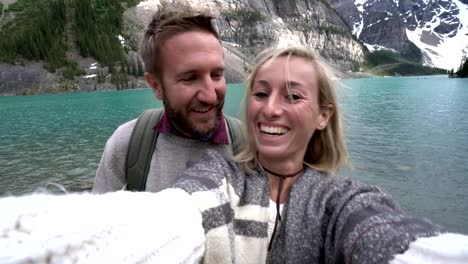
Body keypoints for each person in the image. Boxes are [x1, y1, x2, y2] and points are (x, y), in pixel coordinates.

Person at [167, 45, 468, 263]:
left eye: (293, 96)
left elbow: (376, 230)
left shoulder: (337, 199)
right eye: (260, 93)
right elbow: (180, 210)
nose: (270, 109)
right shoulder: (218, 174)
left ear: (323, 115)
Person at [92, 5, 242, 193]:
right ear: (156, 85)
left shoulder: (248, 146)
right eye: (190, 78)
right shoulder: (127, 146)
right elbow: (103, 221)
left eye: (217, 75)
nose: (210, 96)